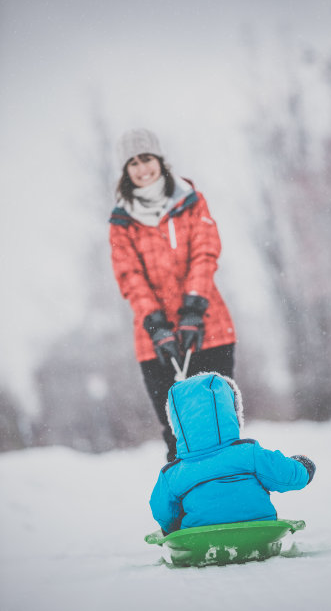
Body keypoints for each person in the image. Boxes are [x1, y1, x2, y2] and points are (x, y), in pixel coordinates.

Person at [109, 128, 236, 461]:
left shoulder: (191, 201)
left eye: (146, 158)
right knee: (177, 431)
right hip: (155, 342)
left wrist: (194, 310)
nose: (141, 168)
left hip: (211, 328)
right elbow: (129, 275)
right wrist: (157, 326)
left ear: (160, 161)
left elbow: (206, 252)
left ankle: (232, 501)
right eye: (132, 163)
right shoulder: (120, 220)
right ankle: (187, 511)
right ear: (125, 171)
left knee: (222, 424)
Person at [149, 372, 316, 534]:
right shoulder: (249, 454)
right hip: (258, 532)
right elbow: (287, 475)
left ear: (178, 423)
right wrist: (303, 467)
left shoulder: (174, 474)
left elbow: (162, 511)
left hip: (200, 539)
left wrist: (172, 528)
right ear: (230, 414)